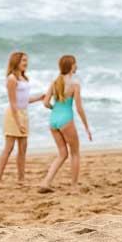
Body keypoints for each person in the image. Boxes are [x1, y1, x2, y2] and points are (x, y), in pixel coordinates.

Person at [39, 54, 92, 192]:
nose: (76, 66)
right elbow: (79, 108)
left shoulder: (54, 82)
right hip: (66, 120)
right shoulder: (74, 85)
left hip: (53, 120)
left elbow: (45, 103)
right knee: (75, 153)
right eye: (75, 64)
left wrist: (54, 109)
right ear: (71, 66)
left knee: (62, 154)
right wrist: (86, 127)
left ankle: (46, 182)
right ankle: (74, 186)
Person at [0, 51, 46, 184]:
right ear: (16, 62)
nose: (26, 63)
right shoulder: (11, 79)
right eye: (23, 60)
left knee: (23, 148)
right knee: (9, 147)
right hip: (13, 115)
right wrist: (18, 123)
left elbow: (23, 100)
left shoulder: (24, 78)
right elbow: (13, 103)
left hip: (24, 113)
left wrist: (38, 98)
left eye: (26, 60)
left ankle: (21, 178)